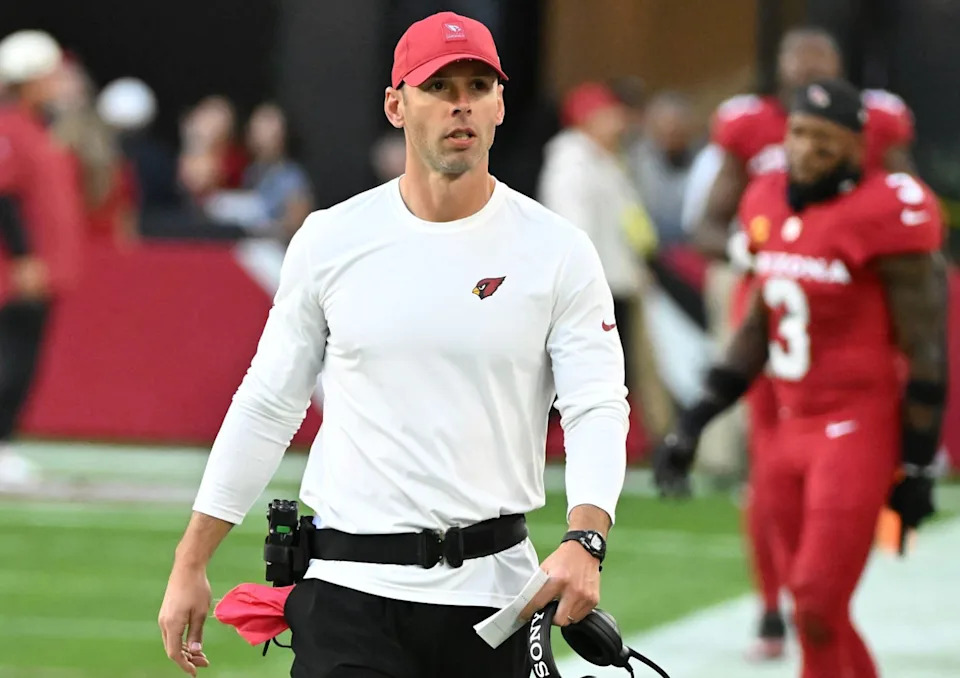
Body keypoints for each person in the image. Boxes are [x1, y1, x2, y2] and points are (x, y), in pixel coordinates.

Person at [158, 11, 629, 678]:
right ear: (396, 104)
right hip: (348, 594)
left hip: (495, 599)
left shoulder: (557, 251)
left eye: (478, 86)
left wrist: (587, 537)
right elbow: (268, 403)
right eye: (439, 87)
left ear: (500, 105)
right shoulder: (331, 239)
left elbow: (596, 405)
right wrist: (191, 560)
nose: (460, 104)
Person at [656, 79, 946, 678]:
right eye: (800, 133)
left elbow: (924, 349)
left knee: (817, 598)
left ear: (856, 148)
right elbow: (757, 329)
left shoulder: (888, 209)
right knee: (812, 605)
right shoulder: (766, 197)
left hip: (854, 424)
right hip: (784, 425)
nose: (808, 150)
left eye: (826, 139)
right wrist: (692, 423)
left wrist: (915, 467)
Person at [0, 30, 86, 487]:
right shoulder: (9, 127)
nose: (58, 83)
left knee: (23, 357)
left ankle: (5, 443)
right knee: (11, 357)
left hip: (38, 271)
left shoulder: (36, 128)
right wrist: (24, 256)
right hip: (16, 273)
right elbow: (5, 196)